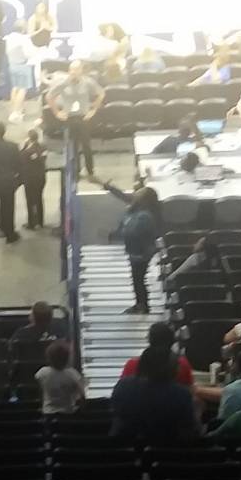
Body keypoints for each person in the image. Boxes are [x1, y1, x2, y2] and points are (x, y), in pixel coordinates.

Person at [110, 330, 199, 443]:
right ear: (168, 368)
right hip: (168, 453)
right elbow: (189, 431)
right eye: (176, 365)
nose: (179, 368)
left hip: (123, 451)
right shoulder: (181, 394)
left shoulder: (122, 386)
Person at [105, 181, 161, 311]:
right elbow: (123, 196)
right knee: (137, 279)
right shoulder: (137, 207)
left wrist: (118, 234)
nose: (135, 192)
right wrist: (108, 187)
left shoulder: (144, 216)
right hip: (136, 251)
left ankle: (143, 305)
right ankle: (140, 304)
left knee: (138, 279)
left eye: (139, 192)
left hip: (141, 253)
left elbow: (133, 232)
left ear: (144, 199)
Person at [35, 339, 85, 416]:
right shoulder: (73, 373)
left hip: (48, 413)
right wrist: (80, 409)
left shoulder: (42, 372)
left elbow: (40, 391)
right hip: (68, 413)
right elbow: (82, 396)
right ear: (67, 358)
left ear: (49, 357)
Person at [19, 130, 48, 229]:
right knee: (39, 199)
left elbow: (20, 158)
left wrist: (24, 146)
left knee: (30, 201)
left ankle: (31, 223)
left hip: (30, 179)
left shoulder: (27, 151)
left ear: (29, 138)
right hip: (41, 177)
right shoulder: (43, 147)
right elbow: (42, 158)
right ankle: (40, 221)